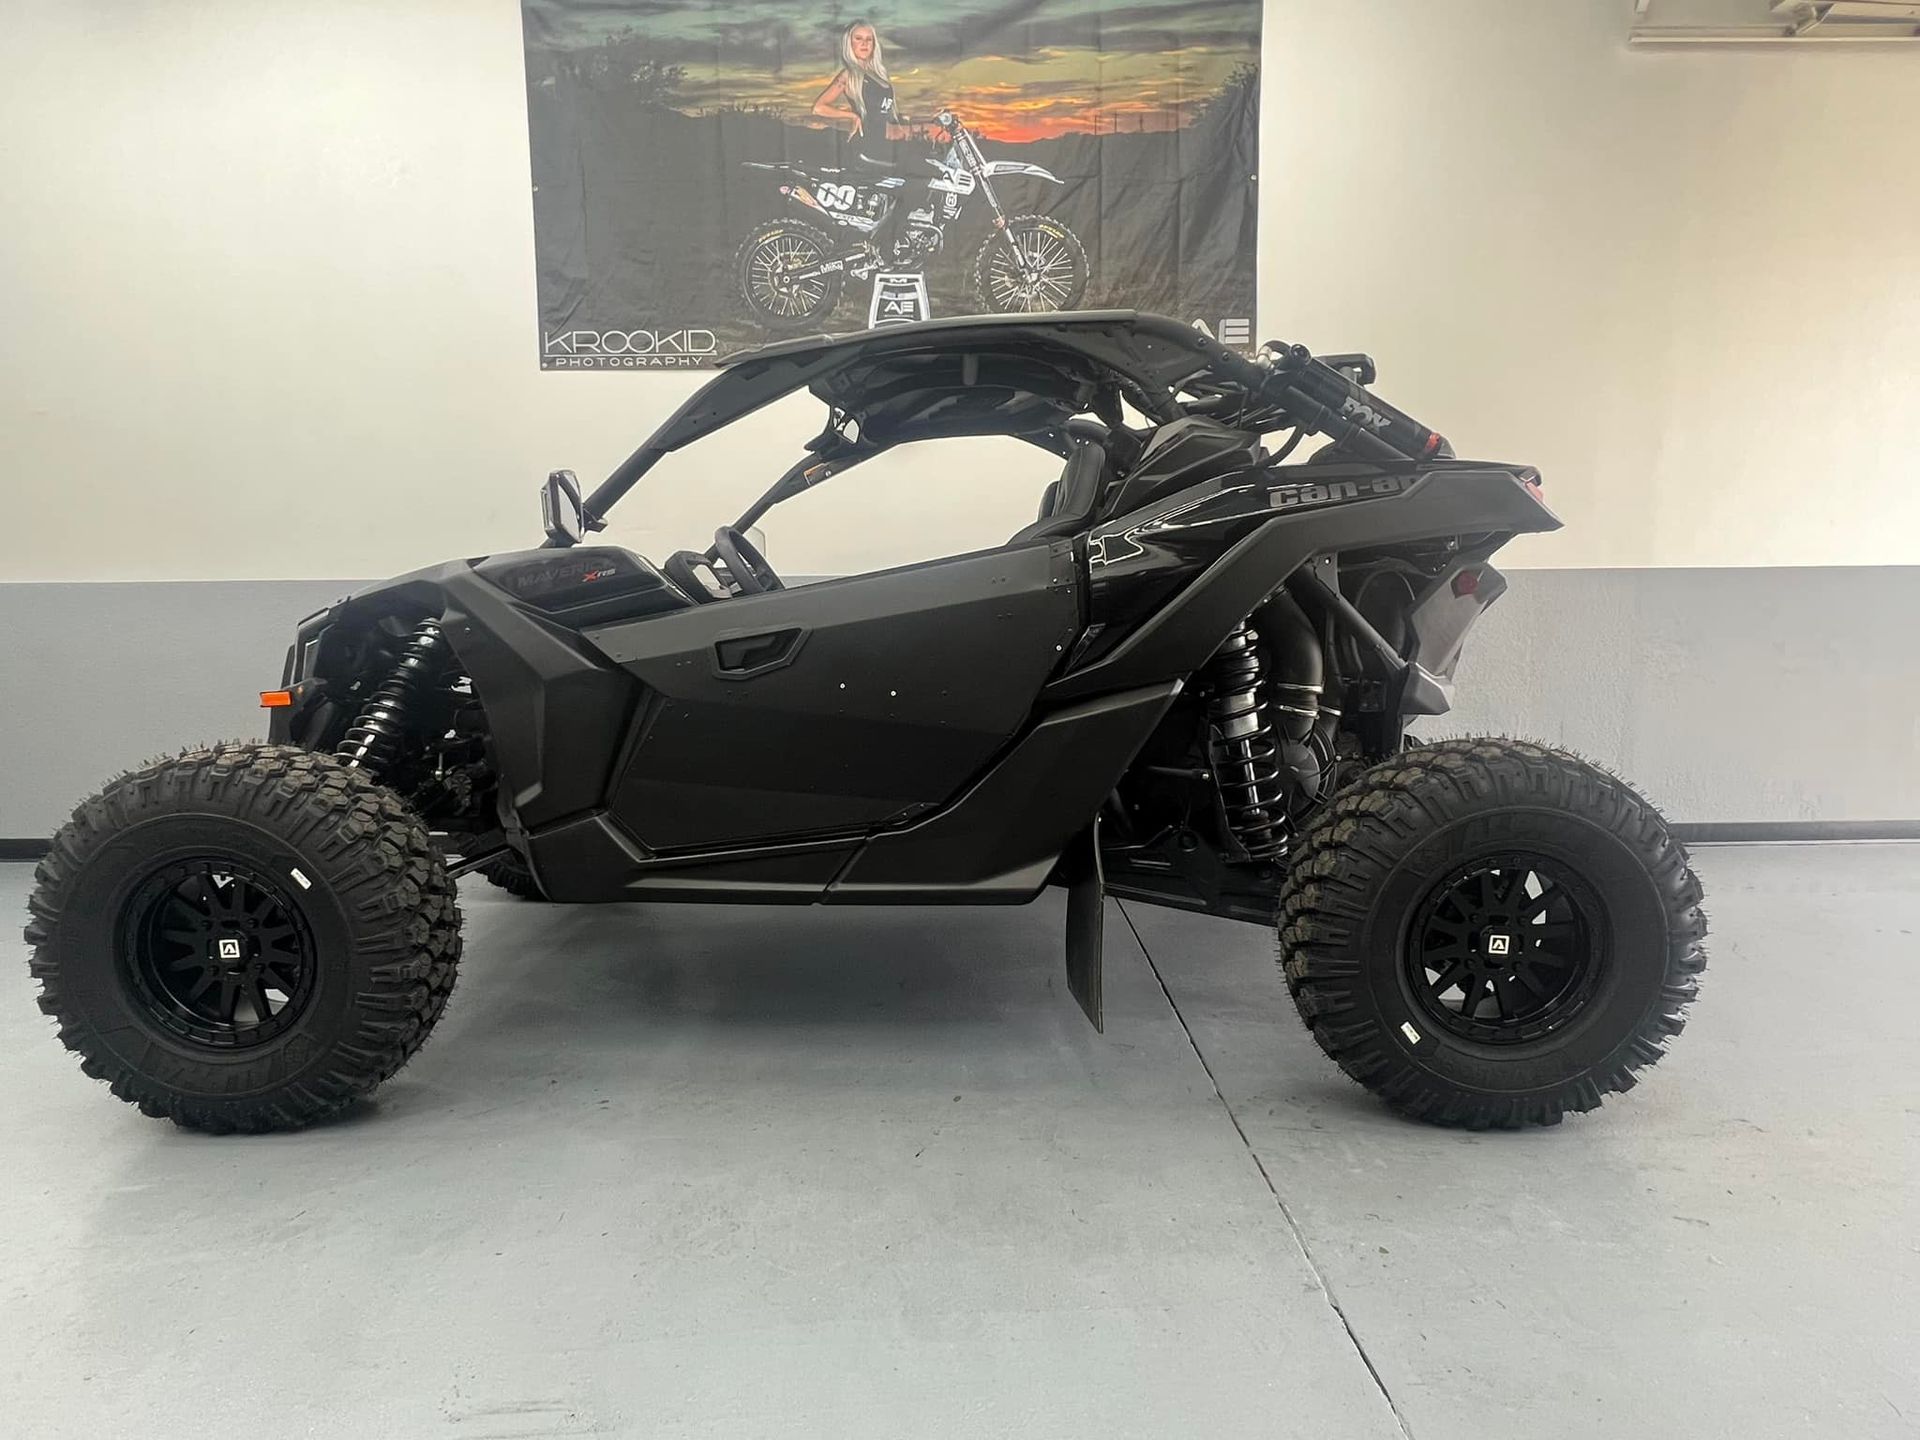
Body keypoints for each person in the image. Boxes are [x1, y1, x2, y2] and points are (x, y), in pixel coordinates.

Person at [811, 20, 948, 262]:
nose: (864, 44)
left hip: (888, 146)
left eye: (869, 39)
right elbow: (818, 107)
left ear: (874, 44)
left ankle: (900, 233)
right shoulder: (850, 74)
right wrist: (851, 115)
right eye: (858, 39)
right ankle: (885, 242)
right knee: (923, 177)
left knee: (930, 168)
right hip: (870, 149)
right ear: (848, 43)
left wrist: (929, 125)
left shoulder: (880, 75)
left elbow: (892, 120)